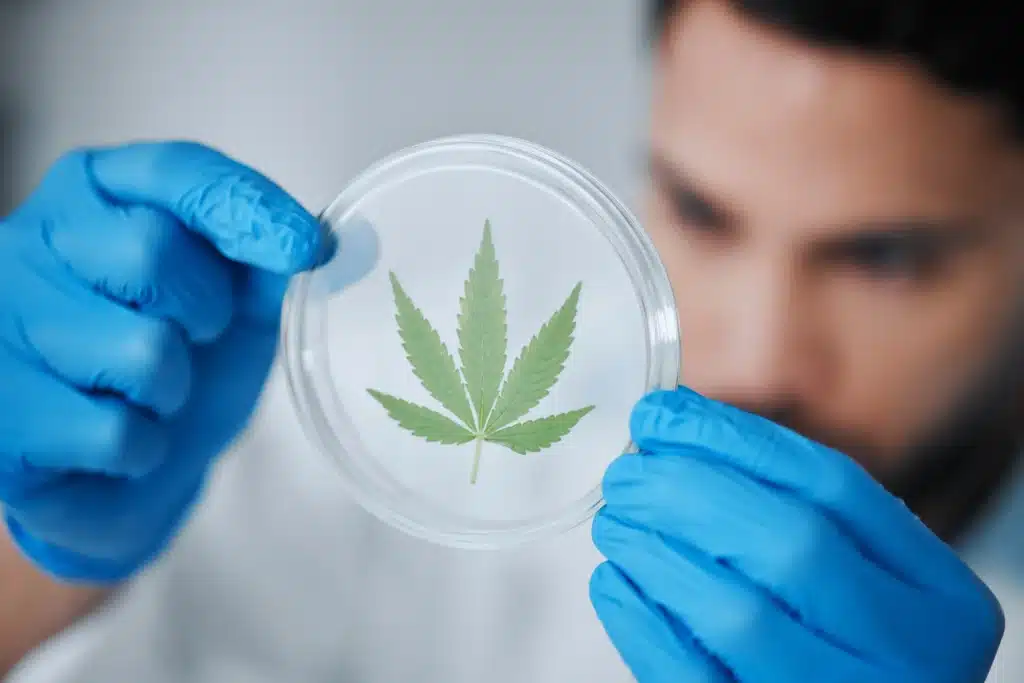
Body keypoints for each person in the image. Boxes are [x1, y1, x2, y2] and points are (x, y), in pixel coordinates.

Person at [1, 0, 1021, 680]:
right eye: (701, 211)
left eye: (884, 259)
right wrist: (41, 559)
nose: (754, 356)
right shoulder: (442, 422)